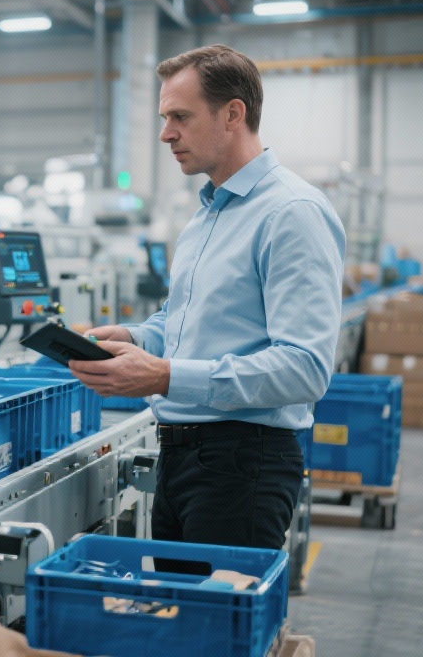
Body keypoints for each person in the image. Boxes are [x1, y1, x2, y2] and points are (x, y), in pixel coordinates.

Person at [69, 44, 345, 551]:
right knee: (184, 623)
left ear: (232, 114)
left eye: (180, 116)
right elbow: (183, 319)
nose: (165, 133)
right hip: (180, 457)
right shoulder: (207, 214)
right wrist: (132, 336)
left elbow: (305, 367)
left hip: (243, 466)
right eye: (164, 117)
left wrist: (164, 375)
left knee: (218, 627)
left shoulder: (291, 213)